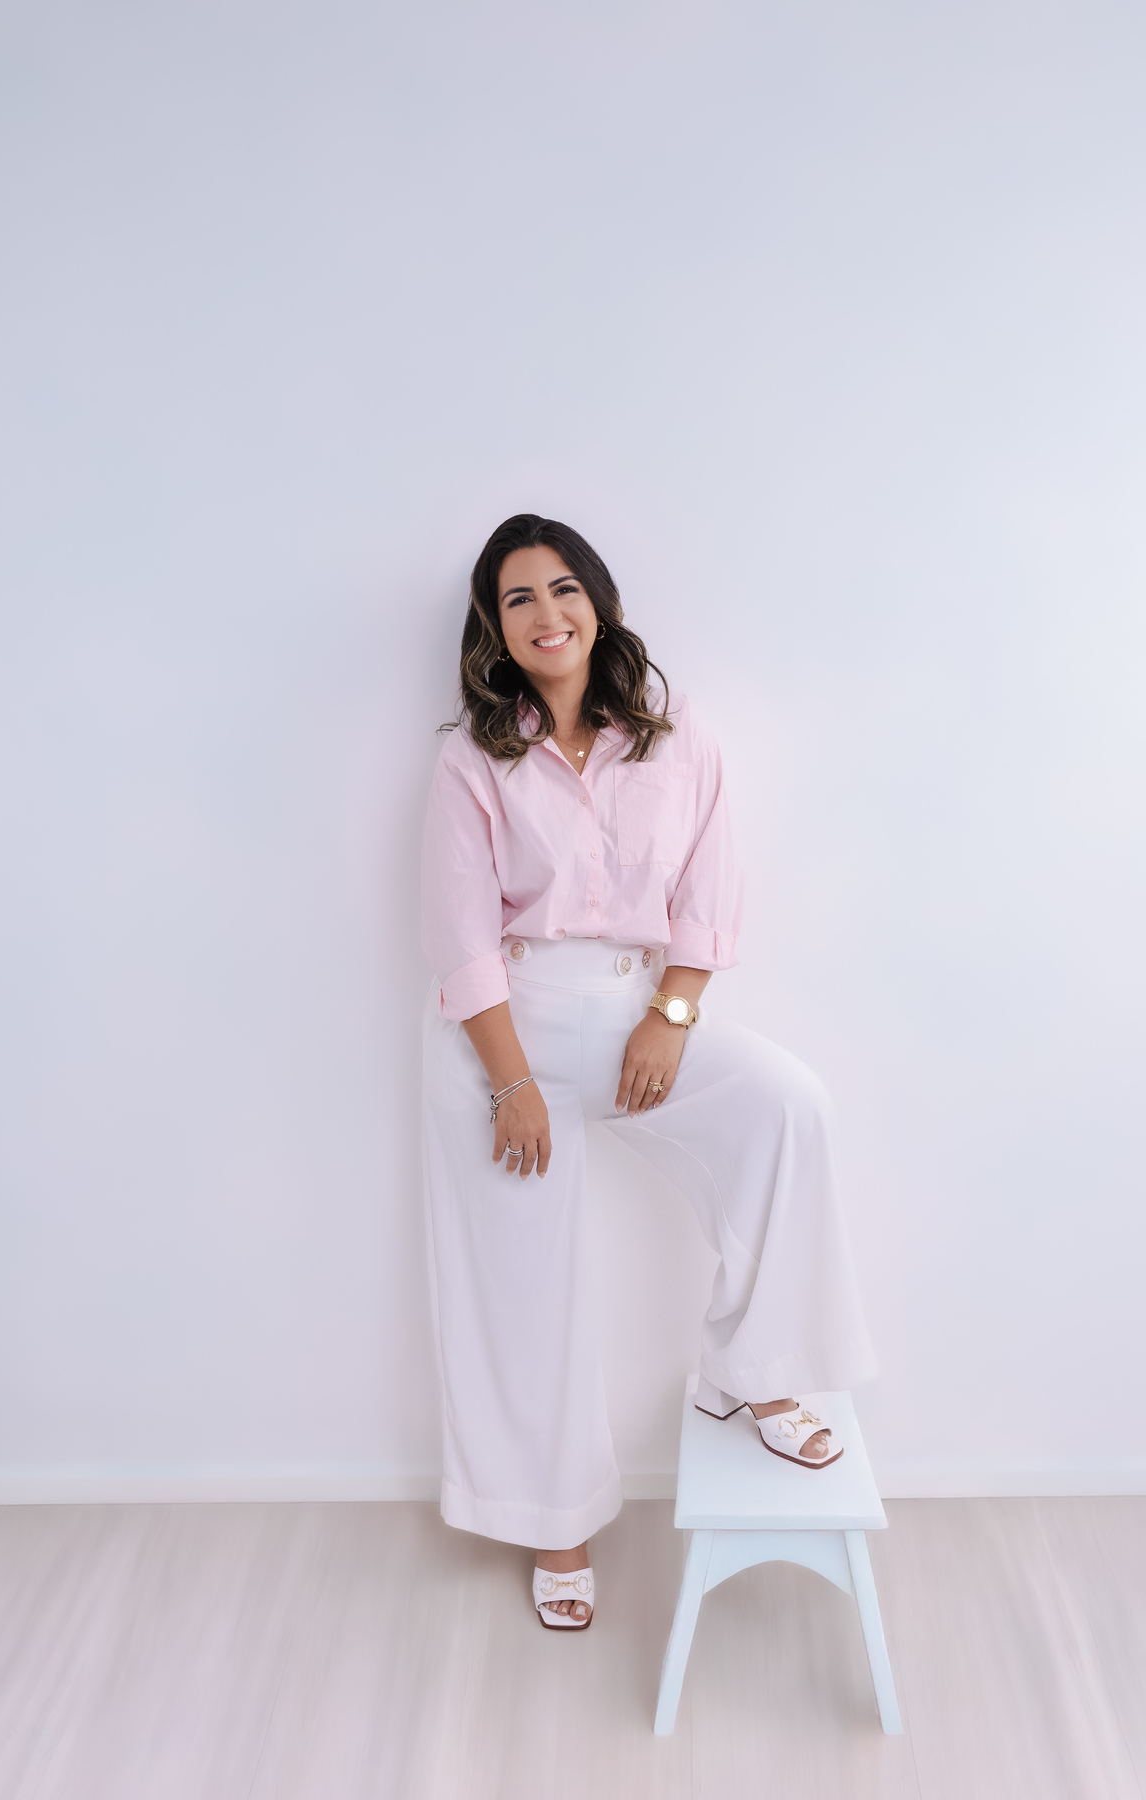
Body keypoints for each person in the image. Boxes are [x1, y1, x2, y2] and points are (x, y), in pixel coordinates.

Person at [420, 514, 876, 1631]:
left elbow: (709, 895)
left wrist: (671, 1017)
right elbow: (460, 935)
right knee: (522, 1275)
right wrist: (514, 1084)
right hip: (504, 1030)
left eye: (563, 588)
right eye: (518, 598)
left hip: (638, 1009)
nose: (546, 614)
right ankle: (552, 1518)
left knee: (785, 1108)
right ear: (494, 627)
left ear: (600, 602)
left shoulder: (676, 737)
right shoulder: (473, 756)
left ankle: (753, 1372)